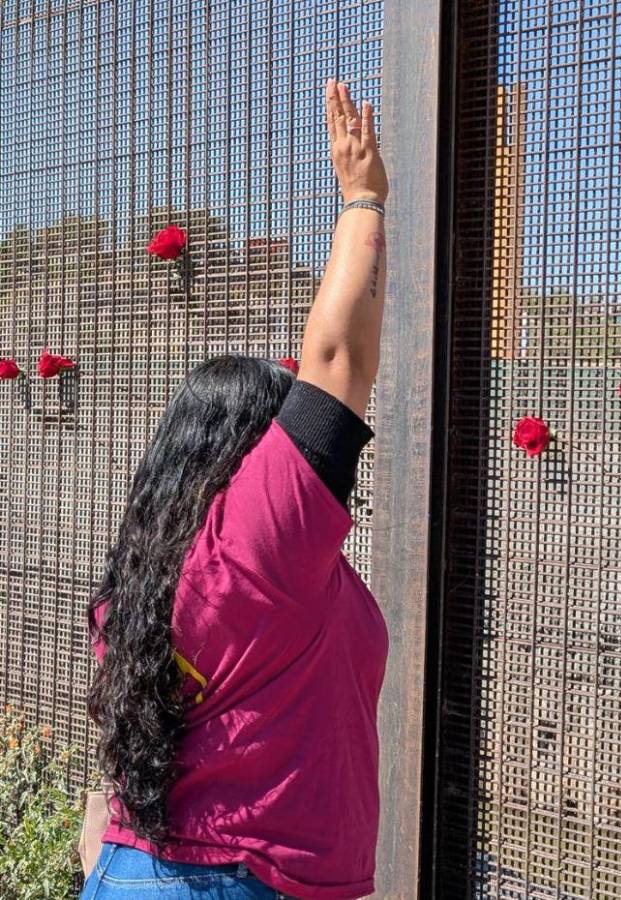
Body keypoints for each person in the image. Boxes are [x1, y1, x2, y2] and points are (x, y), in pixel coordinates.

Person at [79, 78, 389, 899]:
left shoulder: (139, 583)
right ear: (250, 451)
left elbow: (120, 768)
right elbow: (335, 367)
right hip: (237, 883)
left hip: (135, 869)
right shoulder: (255, 546)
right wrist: (362, 200)